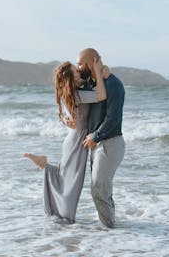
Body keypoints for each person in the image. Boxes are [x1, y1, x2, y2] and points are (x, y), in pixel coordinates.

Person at [23, 57, 109, 224]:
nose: (79, 70)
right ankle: (46, 168)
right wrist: (98, 72)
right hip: (76, 141)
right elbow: (102, 96)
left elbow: (71, 114)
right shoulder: (78, 95)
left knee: (68, 179)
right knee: (71, 183)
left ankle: (46, 168)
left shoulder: (73, 92)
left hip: (74, 139)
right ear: (71, 78)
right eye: (76, 71)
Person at [77, 48, 125, 228]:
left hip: (109, 143)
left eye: (81, 63)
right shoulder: (90, 84)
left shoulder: (113, 84)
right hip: (95, 144)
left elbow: (113, 118)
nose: (78, 67)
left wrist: (95, 137)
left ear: (92, 63)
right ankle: (111, 230)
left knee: (98, 188)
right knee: (103, 190)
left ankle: (110, 230)